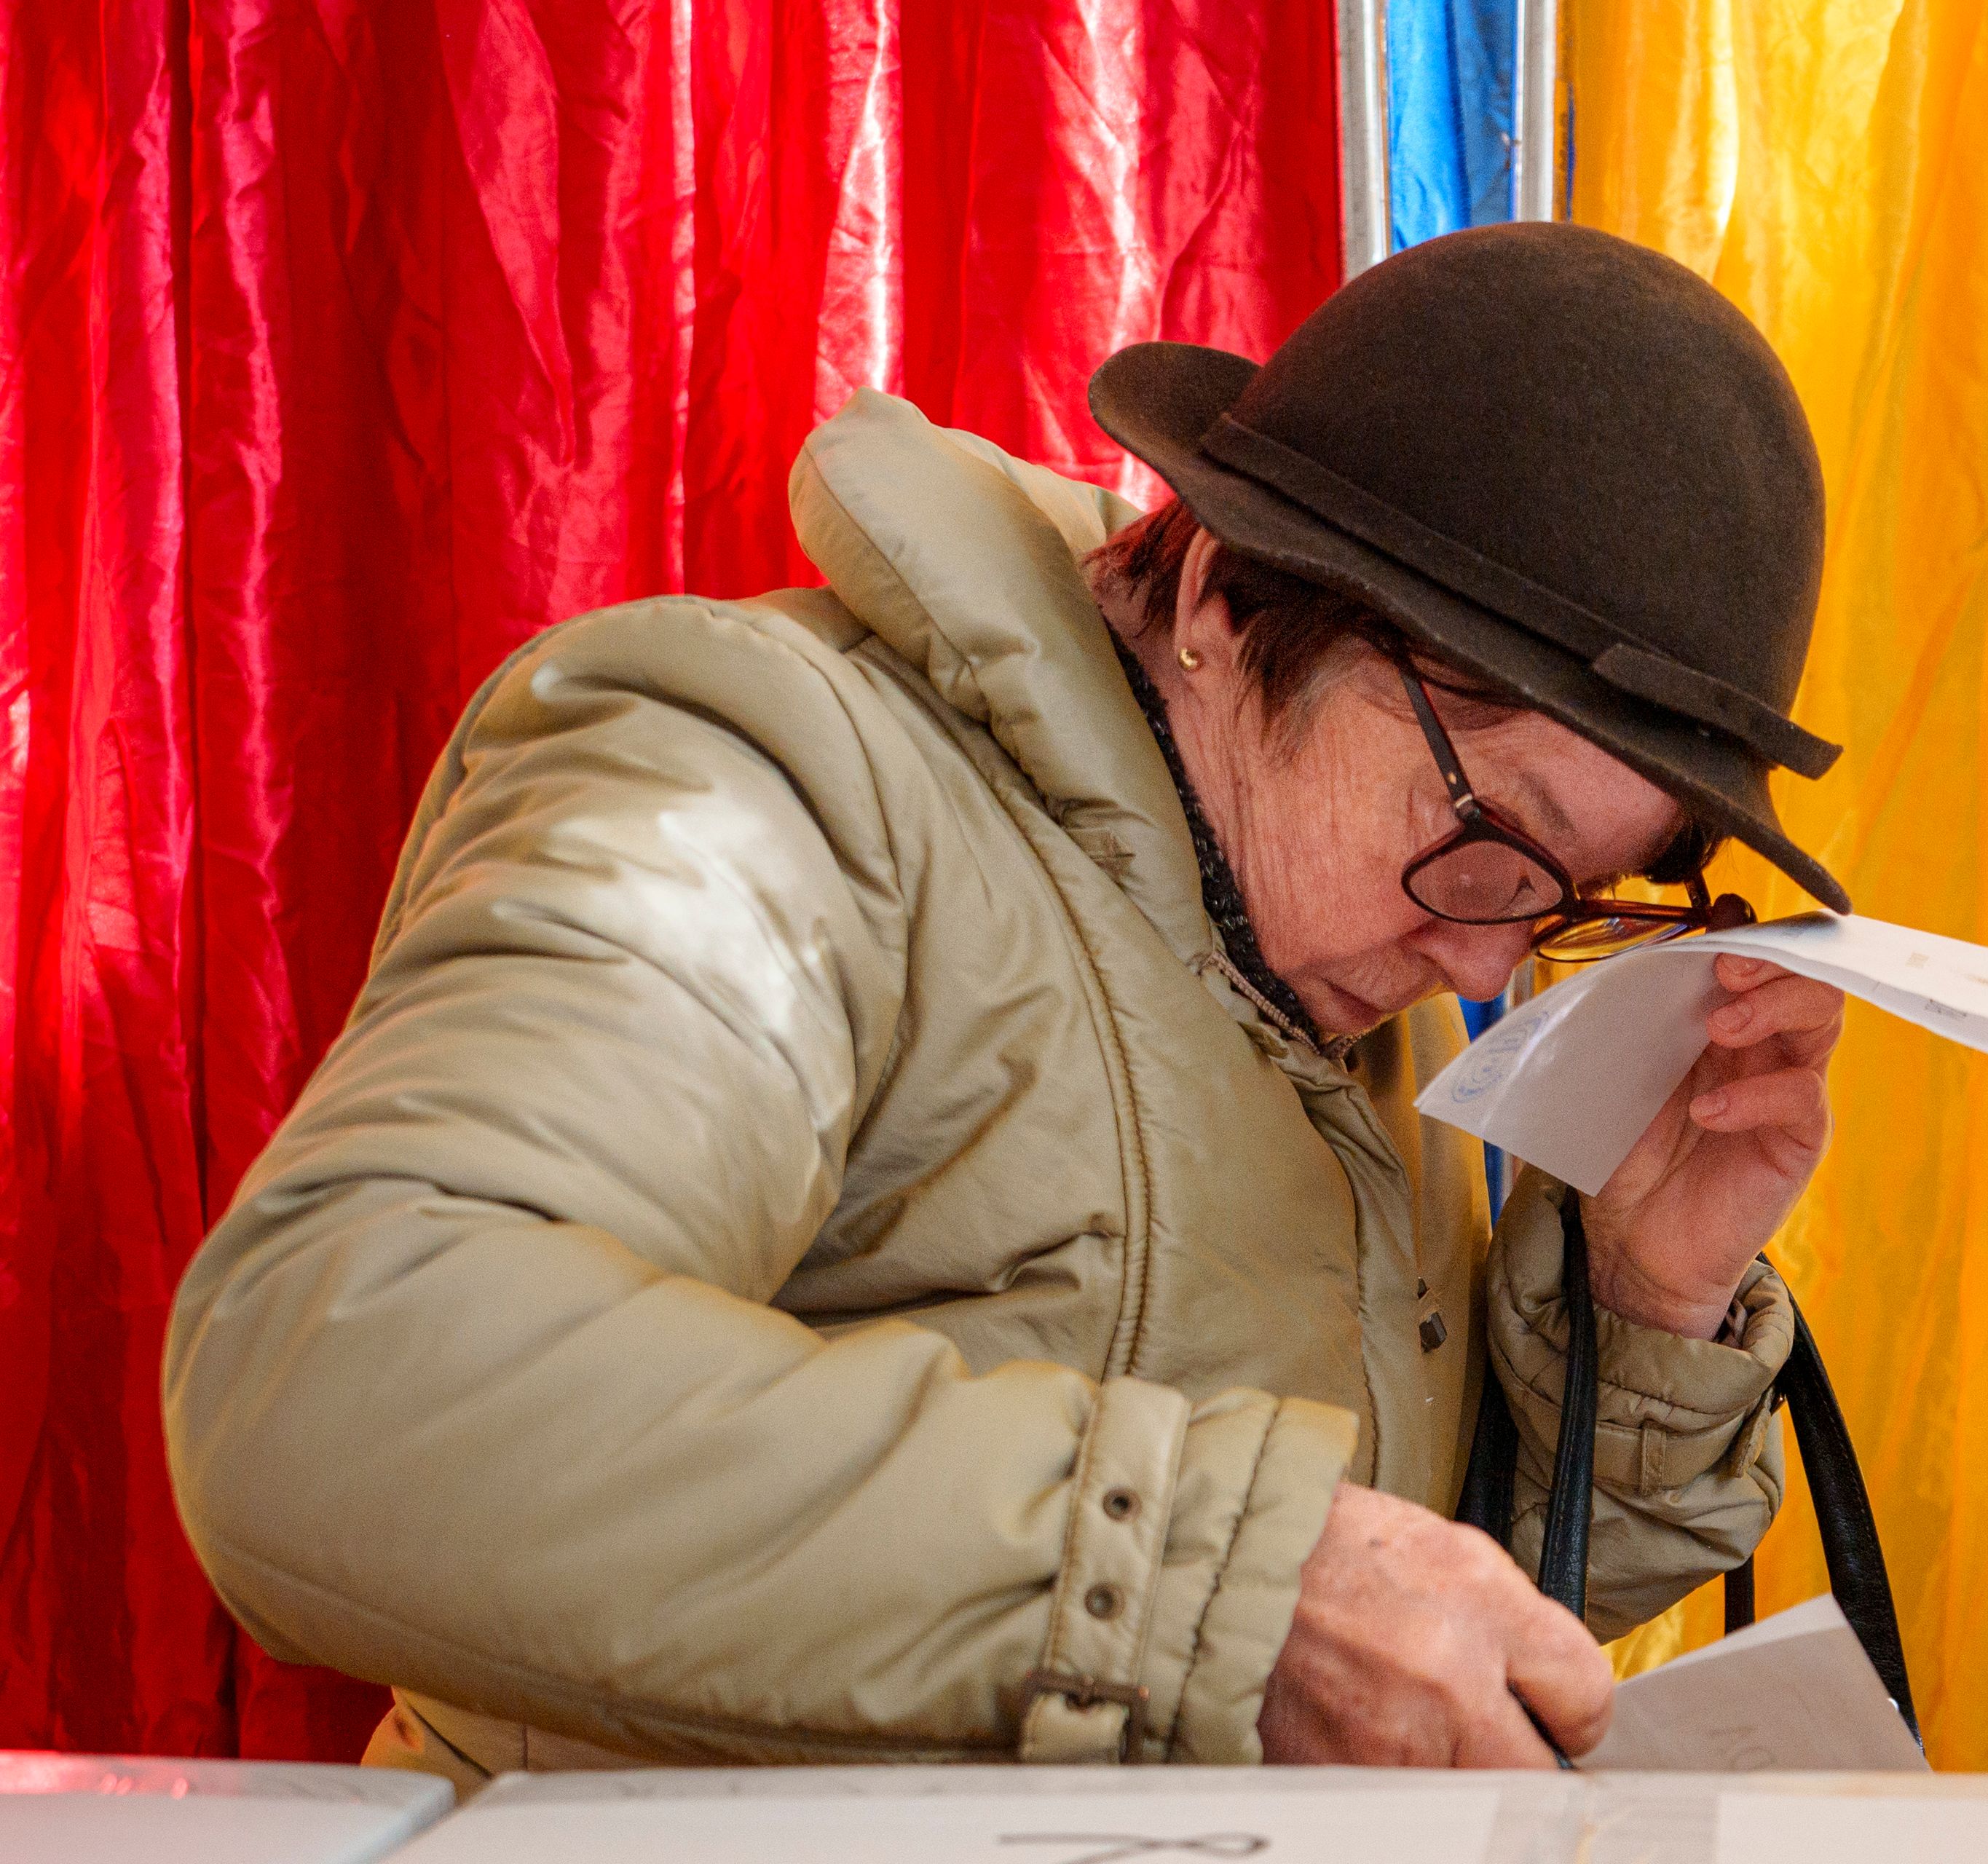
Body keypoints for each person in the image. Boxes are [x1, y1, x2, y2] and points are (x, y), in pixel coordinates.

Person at [162, 222, 1854, 1788]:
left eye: (1569, 898)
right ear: (1222, 599)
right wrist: (1212, 1586)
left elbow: (1386, 1627)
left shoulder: (1321, 915)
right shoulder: (786, 783)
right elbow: (339, 1371)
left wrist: (1642, 1309)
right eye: (1491, 838)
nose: (1488, 964)